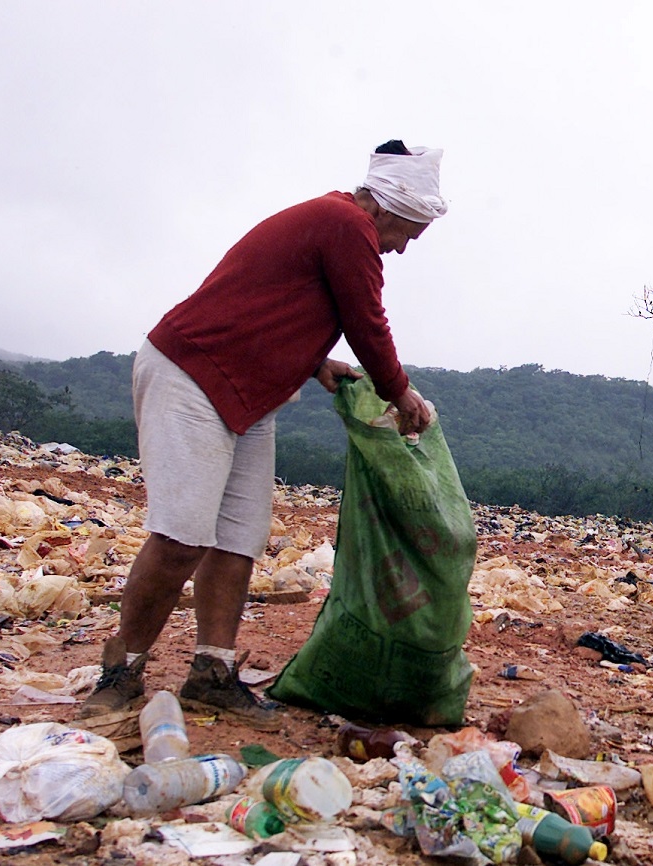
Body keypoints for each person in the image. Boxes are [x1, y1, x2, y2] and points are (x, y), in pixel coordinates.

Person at [78, 140, 445, 730]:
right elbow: (367, 321)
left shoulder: (335, 222)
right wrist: (400, 392)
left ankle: (212, 672)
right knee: (180, 538)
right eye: (409, 233)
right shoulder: (346, 223)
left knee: (237, 539)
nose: (401, 247)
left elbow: (273, 303)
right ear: (389, 205)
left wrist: (316, 363)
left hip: (248, 393)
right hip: (192, 374)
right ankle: (122, 670)